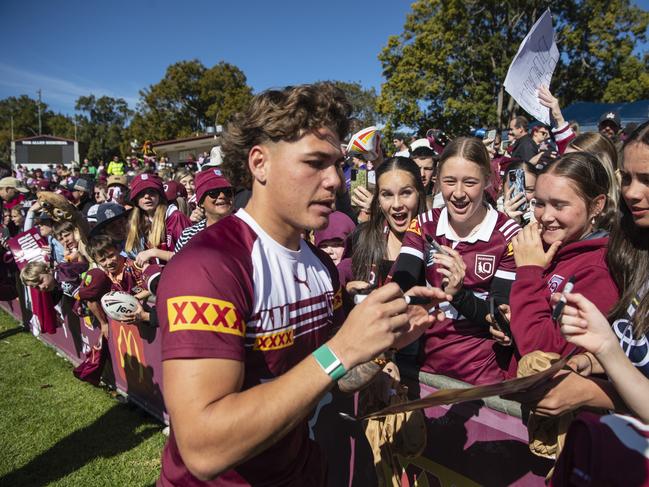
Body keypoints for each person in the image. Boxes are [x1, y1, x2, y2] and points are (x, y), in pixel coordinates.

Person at [157, 84, 447, 486]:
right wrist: (341, 348)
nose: (335, 181)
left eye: (337, 164)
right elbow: (204, 449)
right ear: (260, 163)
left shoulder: (319, 267)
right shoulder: (210, 266)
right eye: (315, 162)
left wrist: (381, 344)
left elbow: (334, 376)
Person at [392, 137, 521, 385]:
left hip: (482, 378)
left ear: (487, 180)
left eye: (470, 182)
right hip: (426, 370)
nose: (458, 193)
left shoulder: (508, 234)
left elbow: (499, 314)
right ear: (438, 180)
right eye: (450, 181)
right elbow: (403, 283)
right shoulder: (424, 223)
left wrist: (458, 294)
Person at [550, 120, 649, 420]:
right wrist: (593, 363)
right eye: (627, 178)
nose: (631, 192)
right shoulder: (630, 249)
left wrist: (593, 392)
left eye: (647, 179)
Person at [502, 152, 618, 381]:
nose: (545, 216)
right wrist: (512, 322)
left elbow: (541, 355)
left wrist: (528, 272)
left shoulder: (596, 270)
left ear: (596, 205)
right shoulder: (552, 247)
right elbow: (538, 320)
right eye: (540, 203)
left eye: (559, 205)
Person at [124, 174, 191, 265]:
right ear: (135, 199)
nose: (147, 196)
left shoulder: (175, 217)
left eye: (152, 192)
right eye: (141, 193)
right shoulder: (136, 222)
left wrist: (154, 252)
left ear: (160, 195)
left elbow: (190, 256)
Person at [174, 168, 234, 253]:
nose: (222, 196)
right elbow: (179, 265)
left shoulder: (247, 230)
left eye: (227, 191)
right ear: (201, 202)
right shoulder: (188, 236)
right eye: (214, 192)